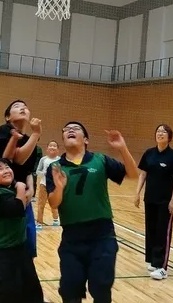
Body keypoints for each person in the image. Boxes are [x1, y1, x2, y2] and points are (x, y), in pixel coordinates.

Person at [46, 122, 138, 303]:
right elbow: (53, 203)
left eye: (76, 128)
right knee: (70, 289)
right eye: (66, 129)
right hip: (72, 238)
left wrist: (122, 148)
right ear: (63, 139)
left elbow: (133, 174)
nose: (70, 130)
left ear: (86, 139)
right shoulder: (55, 168)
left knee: (101, 287)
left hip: (102, 235)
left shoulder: (101, 160)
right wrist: (58, 187)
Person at [0, 100, 41, 290]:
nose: (23, 107)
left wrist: (31, 190)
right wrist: (37, 134)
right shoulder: (4, 130)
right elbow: (16, 157)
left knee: (26, 248)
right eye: (17, 106)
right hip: (3, 196)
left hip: (23, 196)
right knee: (1, 252)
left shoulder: (30, 141)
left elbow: (28, 169)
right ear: (8, 116)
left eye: (25, 106)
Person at [0, 158, 44, 303]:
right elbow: (16, 209)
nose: (6, 170)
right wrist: (21, 187)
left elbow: (26, 197)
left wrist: (26, 183)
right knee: (7, 292)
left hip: (19, 247)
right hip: (0, 251)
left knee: (32, 289)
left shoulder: (10, 188)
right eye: (0, 168)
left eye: (7, 167)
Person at [135, 124, 173, 280]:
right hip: (150, 198)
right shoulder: (149, 153)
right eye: (158, 131)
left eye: (163, 132)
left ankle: (162, 267)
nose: (160, 133)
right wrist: (137, 193)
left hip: (165, 201)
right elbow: (143, 174)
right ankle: (154, 261)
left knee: (163, 233)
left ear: (169, 137)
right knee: (151, 231)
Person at [35, 140, 61, 230]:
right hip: (44, 184)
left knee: (54, 204)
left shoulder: (60, 160)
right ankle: (39, 222)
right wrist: (45, 173)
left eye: (54, 146)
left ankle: (56, 219)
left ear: (58, 150)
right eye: (50, 145)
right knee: (41, 204)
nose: (52, 147)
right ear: (47, 149)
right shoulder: (43, 159)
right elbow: (38, 171)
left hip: (55, 186)